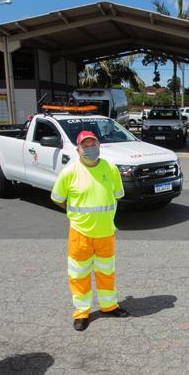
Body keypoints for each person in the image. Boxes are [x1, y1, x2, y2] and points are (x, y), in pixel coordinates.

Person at [51, 130, 130, 331]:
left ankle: (109, 305)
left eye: (93, 144)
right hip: (80, 234)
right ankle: (82, 313)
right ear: (78, 150)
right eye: (85, 145)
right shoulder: (69, 172)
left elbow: (118, 195)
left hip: (105, 233)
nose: (90, 148)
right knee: (79, 276)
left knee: (106, 273)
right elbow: (58, 199)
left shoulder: (110, 168)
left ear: (99, 146)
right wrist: (76, 215)